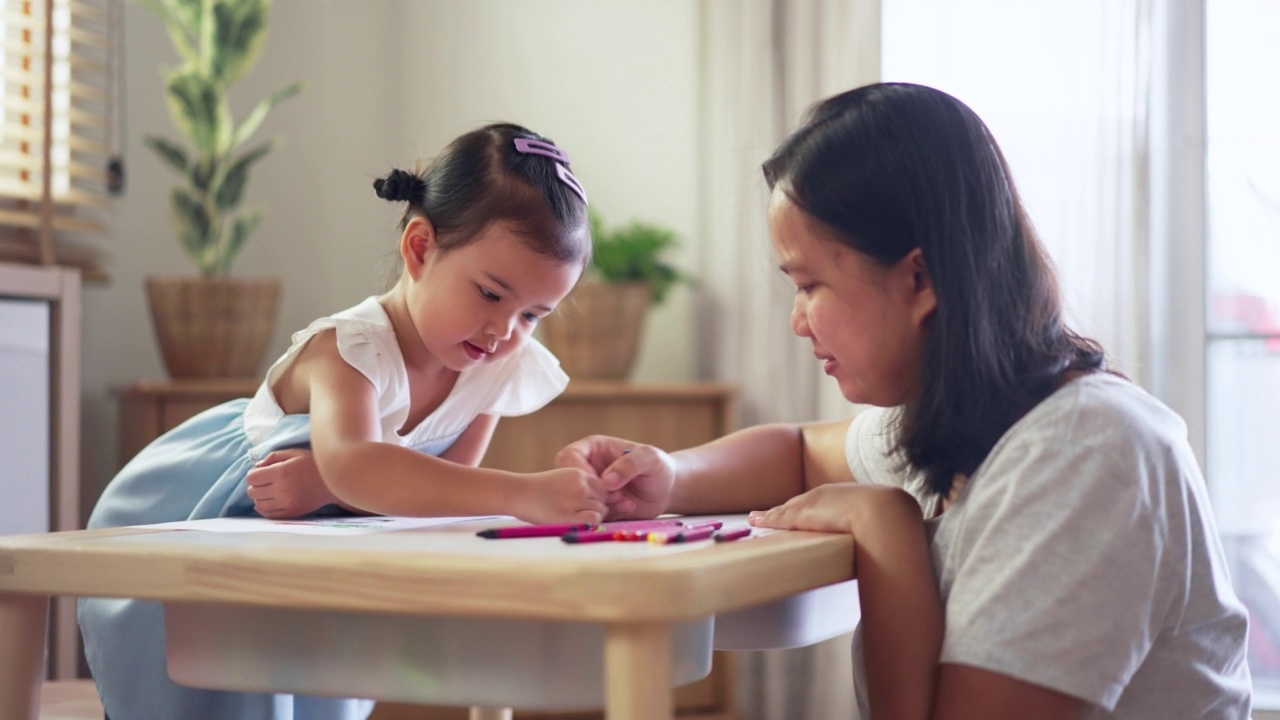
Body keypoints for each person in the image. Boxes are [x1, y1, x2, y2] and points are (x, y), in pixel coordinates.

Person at [557, 83, 1254, 719]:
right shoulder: (972, 419)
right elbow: (799, 451)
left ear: (918, 278)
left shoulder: (1082, 453)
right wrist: (671, 476)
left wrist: (884, 526)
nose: (798, 321)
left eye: (808, 286)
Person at [79, 123, 603, 720]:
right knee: (219, 685)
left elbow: (447, 487)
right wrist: (524, 493)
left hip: (334, 529)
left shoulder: (495, 364)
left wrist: (330, 488)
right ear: (421, 249)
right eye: (489, 295)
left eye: (534, 315)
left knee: (312, 681)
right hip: (219, 503)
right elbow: (355, 461)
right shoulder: (349, 349)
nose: (504, 332)